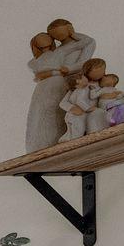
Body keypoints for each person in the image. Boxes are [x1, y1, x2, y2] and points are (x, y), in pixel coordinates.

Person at [27, 18, 94, 151]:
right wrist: (54, 72)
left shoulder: (78, 45)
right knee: (46, 112)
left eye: (58, 33)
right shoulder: (56, 52)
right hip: (54, 84)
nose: (56, 37)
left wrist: (68, 69)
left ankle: (71, 137)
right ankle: (42, 145)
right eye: (53, 35)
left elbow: (85, 61)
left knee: (68, 112)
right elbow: (38, 72)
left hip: (74, 82)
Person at [60, 57, 108, 141]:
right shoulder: (79, 87)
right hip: (80, 113)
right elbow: (63, 103)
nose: (103, 73)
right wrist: (72, 108)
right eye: (100, 70)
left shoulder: (102, 84)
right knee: (77, 130)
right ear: (90, 71)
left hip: (93, 113)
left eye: (103, 70)